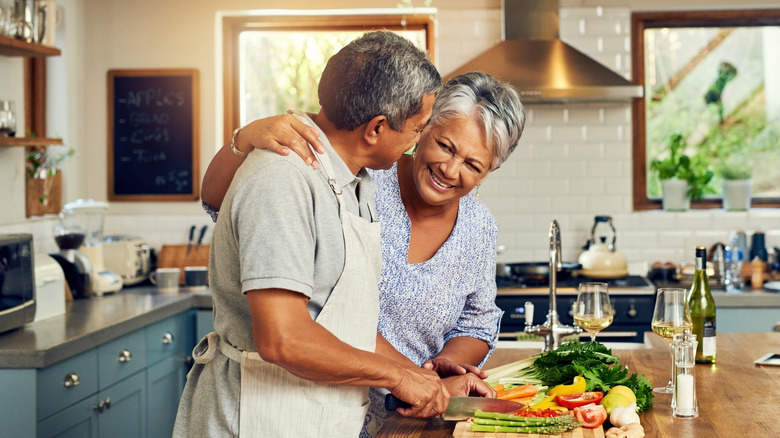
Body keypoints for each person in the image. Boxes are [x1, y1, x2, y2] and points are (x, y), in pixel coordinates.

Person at [173, 31, 481, 438]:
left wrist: (426, 381)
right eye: (417, 129)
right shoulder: (283, 178)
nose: (419, 141)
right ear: (376, 128)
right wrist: (395, 377)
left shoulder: (354, 182)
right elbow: (283, 339)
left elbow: (342, 321)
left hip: (310, 415)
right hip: (254, 420)